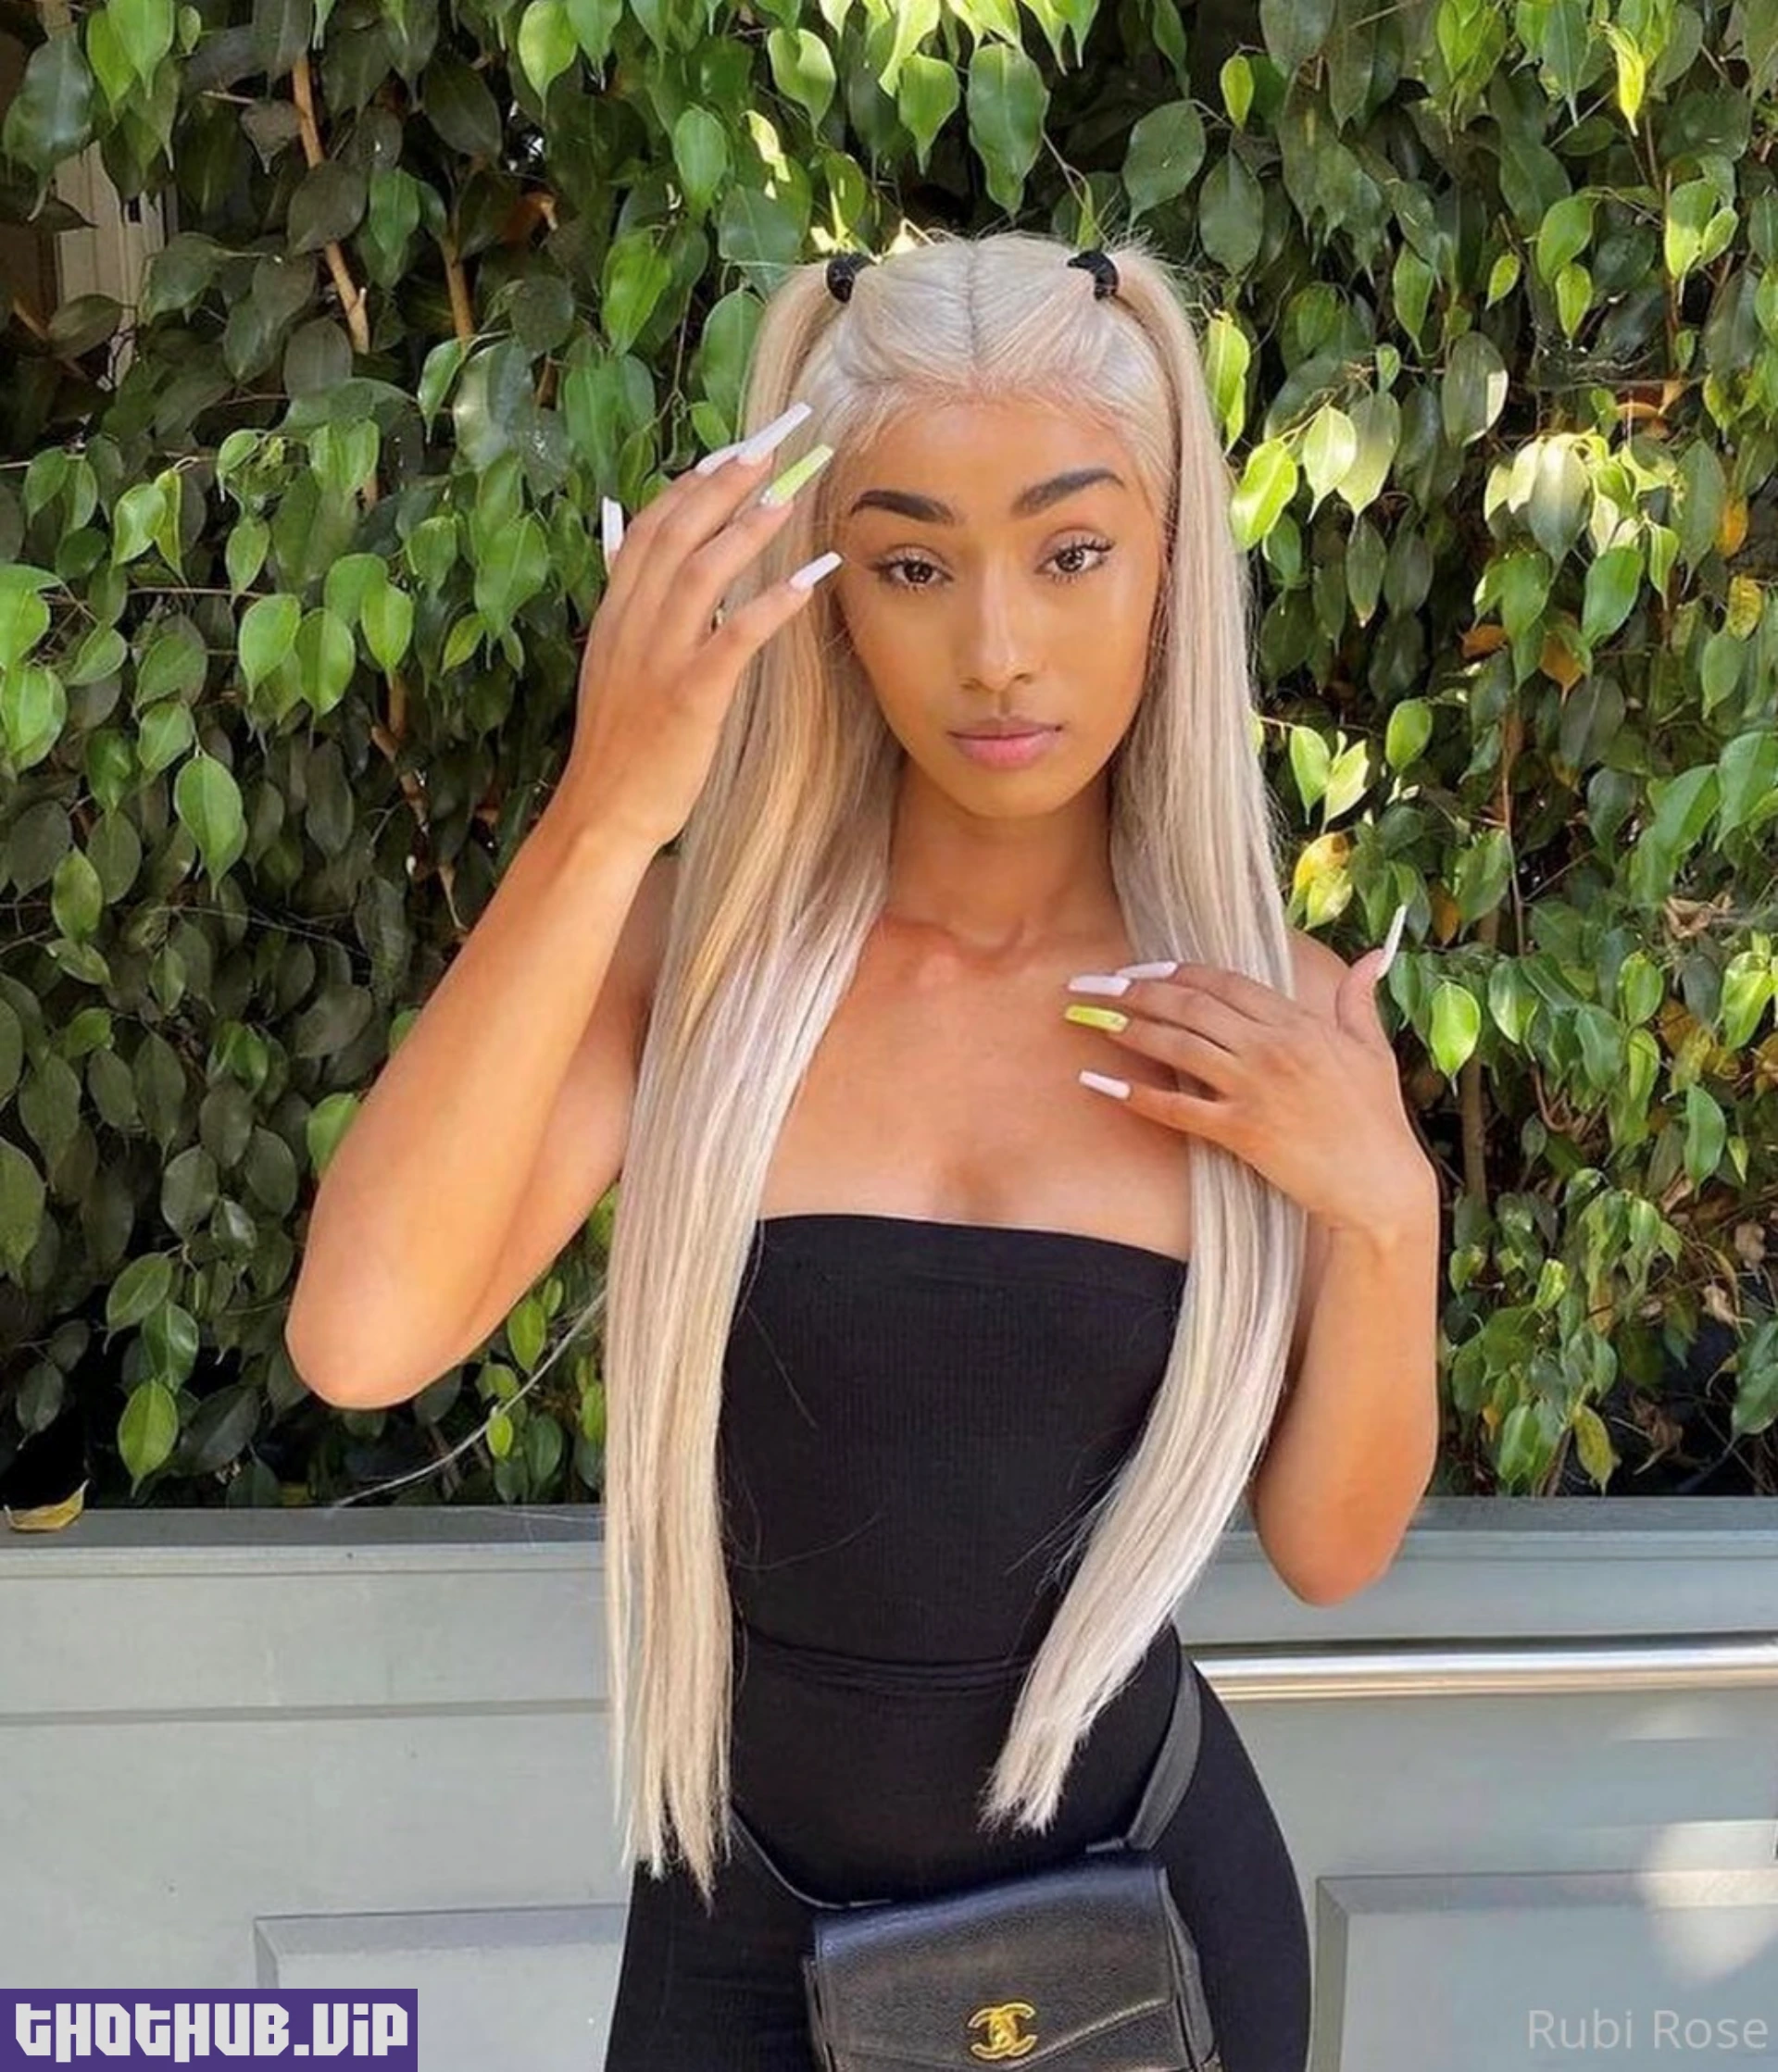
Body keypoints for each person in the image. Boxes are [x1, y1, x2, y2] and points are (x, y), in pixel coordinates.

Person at [590, 227, 1330, 2071]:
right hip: (736, 1934)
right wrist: (606, 809)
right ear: (829, 590)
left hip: (1146, 1936)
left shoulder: (1271, 1014)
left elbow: (1331, 1542)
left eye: (1071, 553)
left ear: (1169, 564)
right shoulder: (701, 970)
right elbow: (360, 1333)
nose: (998, 651)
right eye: (913, 564)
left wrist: (1386, 1214)